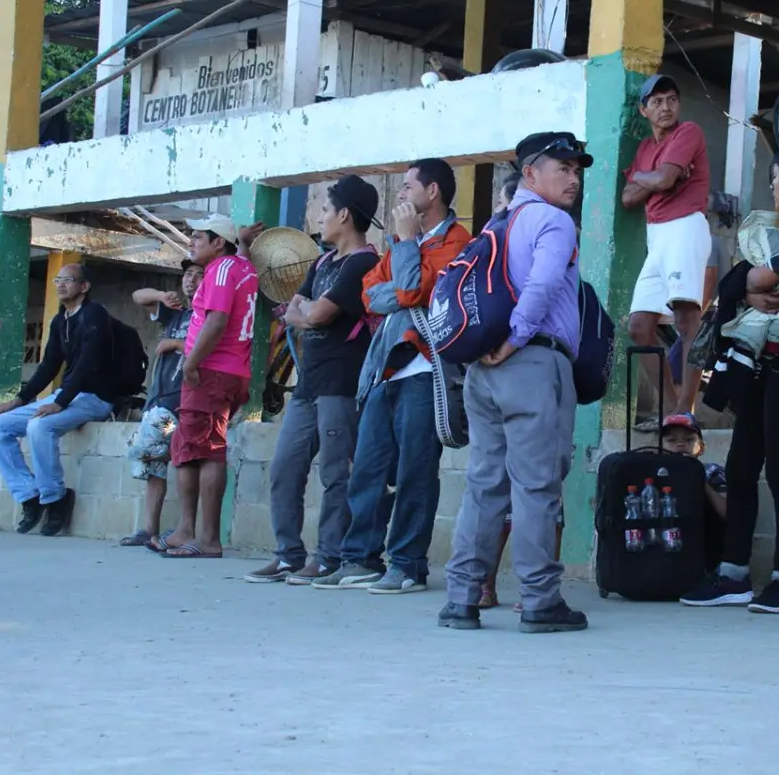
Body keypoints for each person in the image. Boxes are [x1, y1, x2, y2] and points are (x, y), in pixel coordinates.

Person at [440, 131, 591, 633]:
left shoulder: (498, 224)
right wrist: (518, 336)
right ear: (530, 173)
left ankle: (461, 598)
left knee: (485, 485)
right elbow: (544, 283)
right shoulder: (553, 221)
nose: (573, 178)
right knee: (536, 486)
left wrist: (496, 348)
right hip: (529, 361)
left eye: (576, 169)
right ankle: (540, 600)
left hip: (482, 372)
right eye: (561, 168)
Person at [680, 141, 779, 614]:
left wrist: (744, 282)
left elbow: (764, 278)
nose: (772, 186)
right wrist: (745, 283)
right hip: (765, 361)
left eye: (775, 177)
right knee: (743, 467)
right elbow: (749, 279)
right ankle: (733, 573)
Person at [312, 159, 472, 594]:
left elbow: (416, 291)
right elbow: (371, 292)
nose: (400, 195)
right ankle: (360, 558)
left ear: (432, 191)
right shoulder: (405, 242)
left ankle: (406, 564)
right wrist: (403, 276)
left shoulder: (459, 242)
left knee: (416, 470)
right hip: (386, 370)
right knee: (367, 468)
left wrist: (404, 248)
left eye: (406, 187)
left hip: (426, 370)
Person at [246, 176, 382, 584]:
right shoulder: (323, 263)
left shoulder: (364, 262)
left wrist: (307, 314)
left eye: (326, 209)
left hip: (342, 382)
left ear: (344, 214)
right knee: (286, 468)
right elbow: (293, 310)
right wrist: (306, 313)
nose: (321, 217)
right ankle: (288, 554)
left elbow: (318, 314)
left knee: (336, 473)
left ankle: (329, 557)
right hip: (308, 384)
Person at [0, 263, 117, 536]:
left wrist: (61, 402)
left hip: (95, 397)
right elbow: (49, 365)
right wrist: (18, 401)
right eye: (58, 280)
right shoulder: (60, 320)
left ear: (84, 286)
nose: (61, 285)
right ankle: (30, 497)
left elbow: (87, 363)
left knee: (40, 426)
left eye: (68, 280)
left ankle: (55, 499)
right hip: (66, 395)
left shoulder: (95, 315)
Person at [162, 214, 260, 559]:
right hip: (231, 372)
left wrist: (190, 364)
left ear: (219, 242)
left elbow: (217, 320)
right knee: (191, 447)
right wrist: (244, 243)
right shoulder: (242, 267)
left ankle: (204, 537)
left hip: (210, 371)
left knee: (204, 450)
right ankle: (187, 531)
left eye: (199, 236)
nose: (192, 241)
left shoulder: (220, 269)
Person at [622, 73, 716, 423]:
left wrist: (648, 177)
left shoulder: (687, 132)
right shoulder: (646, 148)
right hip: (656, 236)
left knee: (687, 318)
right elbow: (628, 199)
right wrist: (654, 177)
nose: (665, 107)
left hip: (685, 227)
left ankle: (684, 410)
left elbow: (661, 180)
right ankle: (669, 405)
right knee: (638, 326)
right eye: (657, 102)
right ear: (643, 110)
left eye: (671, 99)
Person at [120, 259, 205, 548]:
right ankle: (149, 531)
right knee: (154, 462)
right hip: (159, 399)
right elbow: (137, 296)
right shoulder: (176, 315)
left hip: (181, 403)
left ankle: (185, 531)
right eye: (188, 275)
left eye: (198, 275)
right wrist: (160, 296)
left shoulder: (208, 314)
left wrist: (177, 345)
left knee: (151, 452)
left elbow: (213, 349)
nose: (191, 280)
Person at [660, 413, 728, 572]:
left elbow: (726, 512)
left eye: (689, 440)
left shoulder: (713, 473)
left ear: (701, 447)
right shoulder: (654, 473)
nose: (680, 445)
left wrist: (699, 480)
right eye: (671, 440)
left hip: (703, 549)